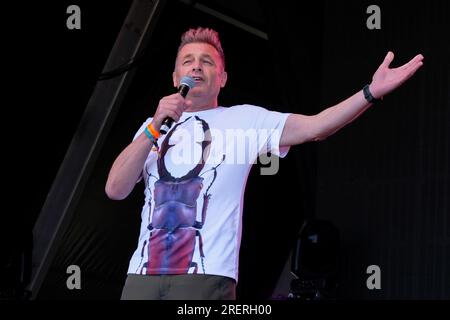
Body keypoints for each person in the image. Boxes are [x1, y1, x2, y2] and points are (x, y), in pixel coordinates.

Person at [105, 27, 423, 300]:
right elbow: (116, 189)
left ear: (223, 78)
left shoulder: (243, 120)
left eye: (207, 61)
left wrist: (370, 92)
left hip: (204, 275)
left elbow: (316, 127)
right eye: (188, 61)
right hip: (141, 276)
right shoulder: (153, 127)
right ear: (175, 77)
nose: (196, 67)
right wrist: (152, 127)